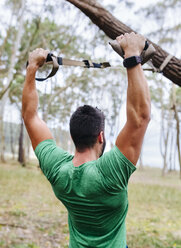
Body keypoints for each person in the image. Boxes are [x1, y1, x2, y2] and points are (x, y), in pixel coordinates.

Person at [22, 32, 151, 248]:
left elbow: (30, 116)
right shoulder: (110, 174)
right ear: (101, 136)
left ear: (73, 136)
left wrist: (32, 67)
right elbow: (139, 118)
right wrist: (132, 55)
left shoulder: (58, 170)